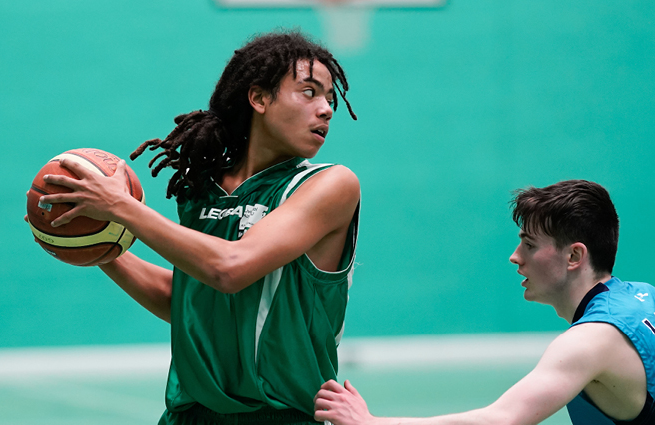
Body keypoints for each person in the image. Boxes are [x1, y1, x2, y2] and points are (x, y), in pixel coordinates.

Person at [37, 31, 361, 423]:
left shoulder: (330, 185)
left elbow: (229, 268)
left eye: (329, 98)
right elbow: (188, 298)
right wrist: (94, 243)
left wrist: (119, 207)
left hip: (278, 416)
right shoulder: (200, 191)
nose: (326, 108)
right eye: (309, 92)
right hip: (189, 416)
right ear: (258, 98)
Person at [313, 179, 655, 425]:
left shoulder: (590, 340)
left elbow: (502, 420)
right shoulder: (644, 295)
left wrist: (369, 423)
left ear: (574, 256)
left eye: (530, 245)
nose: (514, 257)